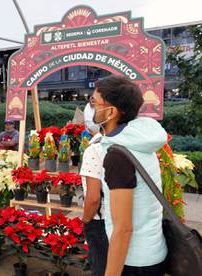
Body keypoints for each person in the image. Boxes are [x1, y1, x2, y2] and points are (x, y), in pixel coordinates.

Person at [91, 75, 167, 276]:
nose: (90, 107)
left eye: (94, 102)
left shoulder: (118, 156)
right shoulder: (139, 140)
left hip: (135, 261)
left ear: (111, 111)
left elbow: (123, 228)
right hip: (152, 251)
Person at [80, 103, 108, 276]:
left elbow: (93, 198)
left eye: (93, 102)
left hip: (100, 221)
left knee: (101, 267)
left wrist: (86, 220)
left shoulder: (95, 148)